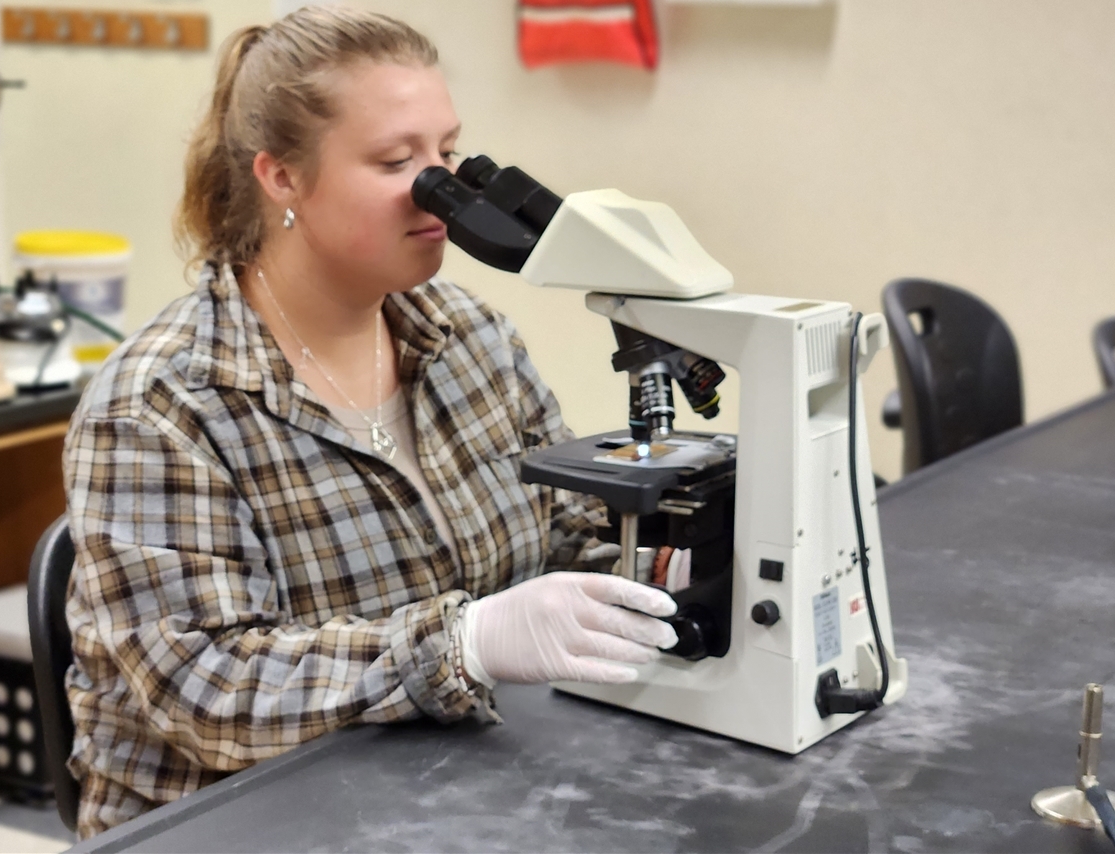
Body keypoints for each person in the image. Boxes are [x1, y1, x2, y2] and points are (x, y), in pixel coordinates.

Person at [62, 6, 678, 839]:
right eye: (397, 161)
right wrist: (460, 644)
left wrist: (670, 570)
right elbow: (202, 692)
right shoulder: (163, 404)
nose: (443, 192)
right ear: (280, 177)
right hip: (236, 826)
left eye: (448, 154)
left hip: (445, 796)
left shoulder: (470, 337)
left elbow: (567, 541)